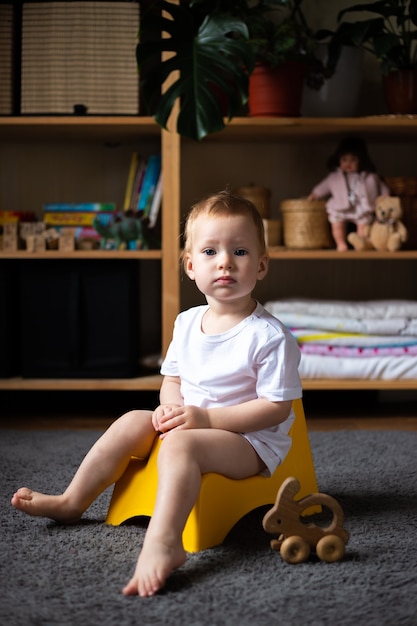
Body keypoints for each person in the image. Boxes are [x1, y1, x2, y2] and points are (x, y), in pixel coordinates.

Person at [11, 190, 302, 598]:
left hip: (248, 441)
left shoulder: (269, 336)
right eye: (210, 251)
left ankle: (165, 542)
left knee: (180, 447)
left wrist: (207, 420)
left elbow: (275, 409)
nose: (225, 262)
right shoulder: (186, 323)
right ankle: (73, 500)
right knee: (132, 420)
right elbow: (174, 379)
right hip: (194, 422)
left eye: (239, 250)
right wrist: (172, 406)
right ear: (190, 265)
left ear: (262, 265)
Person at [307, 137, 389, 251]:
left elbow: (381, 187)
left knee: (363, 226)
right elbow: (324, 186)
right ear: (338, 160)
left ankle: (360, 244)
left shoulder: (369, 177)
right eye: (344, 159)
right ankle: (340, 243)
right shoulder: (335, 177)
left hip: (361, 206)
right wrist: (315, 194)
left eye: (353, 159)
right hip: (340, 205)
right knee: (337, 224)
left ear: (362, 160)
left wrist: (386, 196)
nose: (348, 163)